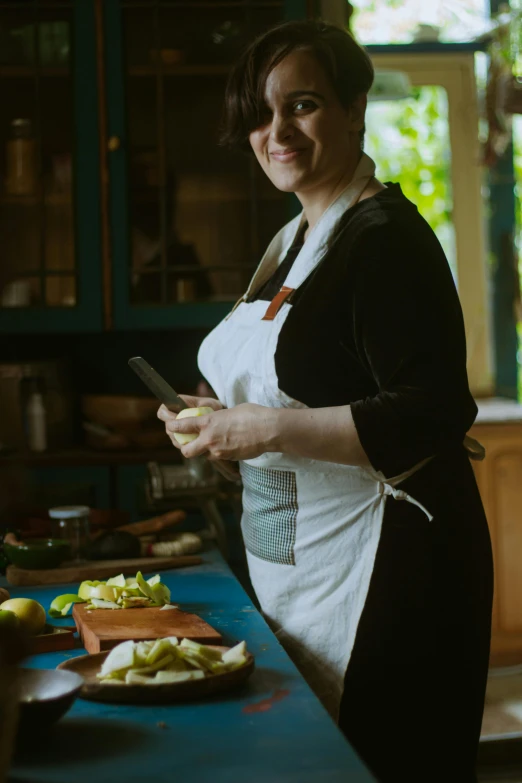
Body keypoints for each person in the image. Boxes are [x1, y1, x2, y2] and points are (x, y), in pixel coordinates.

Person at [158, 20, 493, 782]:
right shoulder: (298, 238)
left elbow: (433, 409)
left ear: (354, 108)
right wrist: (213, 422)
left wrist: (264, 426)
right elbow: (312, 378)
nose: (276, 132)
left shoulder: (385, 240)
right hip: (303, 566)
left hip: (393, 576)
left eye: (302, 105)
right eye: (260, 113)